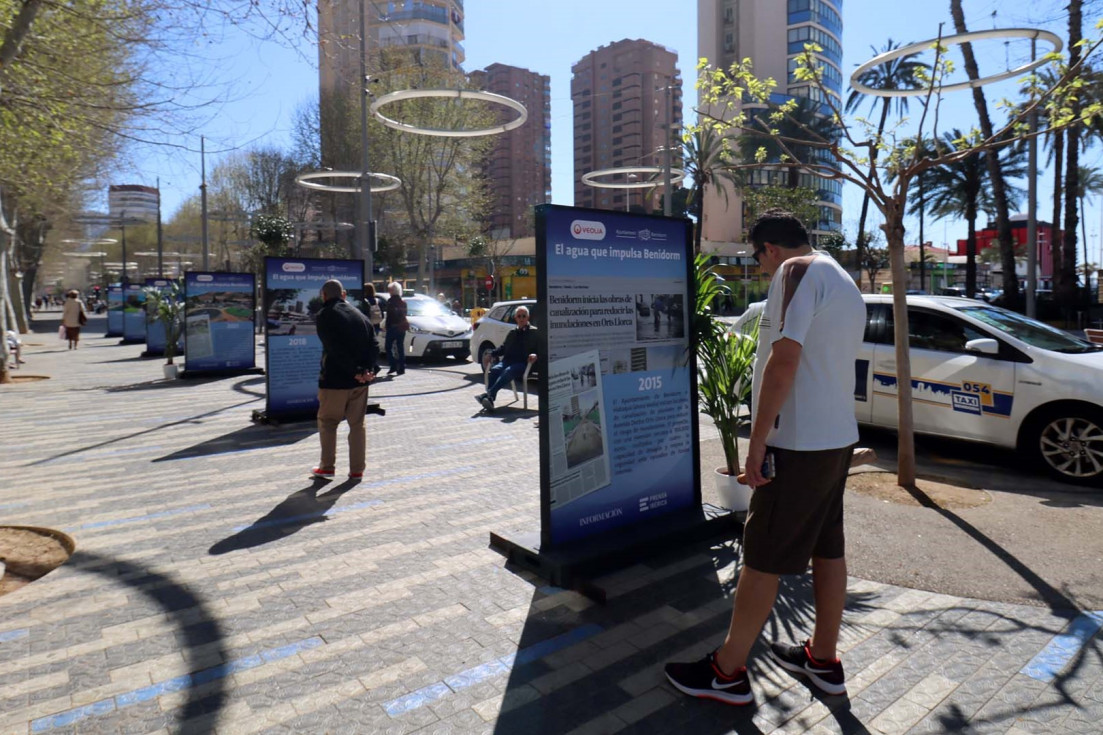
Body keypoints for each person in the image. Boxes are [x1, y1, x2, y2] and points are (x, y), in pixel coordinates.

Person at [664, 210, 866, 706]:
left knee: (761, 557)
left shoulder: (795, 272)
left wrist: (756, 442)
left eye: (757, 257)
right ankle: (822, 658)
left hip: (797, 444)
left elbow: (785, 358)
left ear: (770, 248)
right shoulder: (842, 278)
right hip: (834, 439)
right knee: (828, 548)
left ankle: (726, 673)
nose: (760, 266)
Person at [312, 279, 378, 480]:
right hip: (360, 383)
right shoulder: (360, 315)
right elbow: (374, 345)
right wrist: (368, 370)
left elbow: (334, 349)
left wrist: (354, 370)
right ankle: (357, 470)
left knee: (328, 422)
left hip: (335, 380)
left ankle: (327, 467)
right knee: (357, 425)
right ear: (344, 294)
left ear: (324, 296)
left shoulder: (325, 315)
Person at [475, 305, 537, 413]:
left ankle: (488, 396)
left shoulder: (534, 332)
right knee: (495, 370)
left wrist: (535, 355)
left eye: (524, 316)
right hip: (508, 361)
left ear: (528, 317)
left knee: (509, 371)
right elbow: (503, 348)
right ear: (516, 318)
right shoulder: (512, 332)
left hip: (523, 364)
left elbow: (541, 349)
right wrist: (491, 353)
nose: (521, 318)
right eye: (519, 316)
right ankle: (490, 399)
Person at [359, 283, 386, 374]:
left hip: (367, 326)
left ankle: (374, 366)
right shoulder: (378, 301)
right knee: (373, 346)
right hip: (376, 325)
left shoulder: (364, 301)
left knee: (366, 348)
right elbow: (382, 314)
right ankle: (374, 366)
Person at [383, 282, 408, 376]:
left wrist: (387, 326)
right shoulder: (403, 302)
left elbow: (389, 316)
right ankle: (401, 368)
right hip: (401, 327)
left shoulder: (390, 301)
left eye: (389, 290)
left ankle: (393, 365)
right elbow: (404, 314)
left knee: (388, 347)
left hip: (393, 327)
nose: (388, 291)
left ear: (392, 291)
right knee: (400, 347)